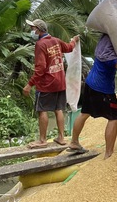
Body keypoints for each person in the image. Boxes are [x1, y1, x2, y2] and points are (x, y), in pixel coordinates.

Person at [67, 33, 117, 159]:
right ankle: (109, 154)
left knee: (84, 113)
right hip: (102, 88)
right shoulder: (110, 40)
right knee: (114, 117)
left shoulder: (105, 38)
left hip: (90, 82)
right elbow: (113, 61)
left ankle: (74, 142)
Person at [23, 19, 79, 148]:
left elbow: (40, 68)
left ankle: (42, 140)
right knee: (58, 109)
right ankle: (61, 137)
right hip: (60, 81)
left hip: (47, 84)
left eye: (32, 28)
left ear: (38, 29)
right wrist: (74, 40)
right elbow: (70, 48)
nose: (31, 31)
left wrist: (29, 84)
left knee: (42, 110)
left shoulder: (40, 44)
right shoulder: (56, 41)